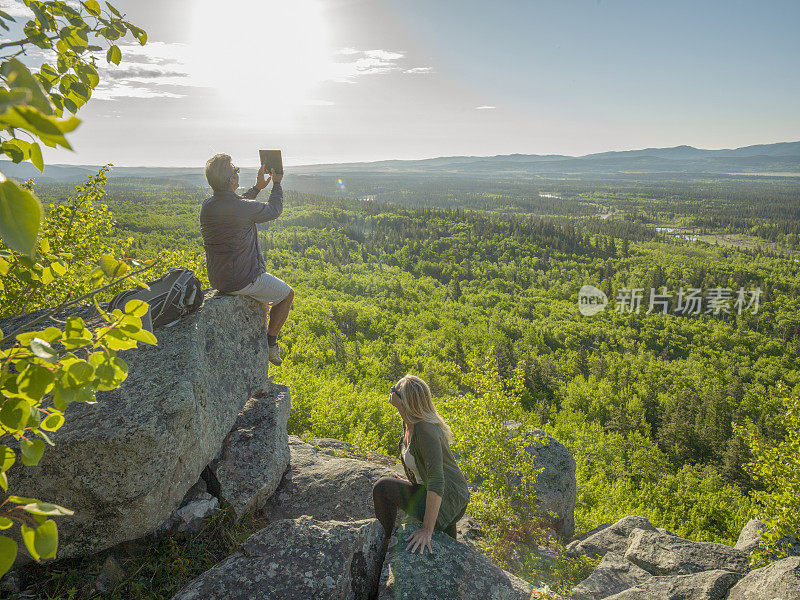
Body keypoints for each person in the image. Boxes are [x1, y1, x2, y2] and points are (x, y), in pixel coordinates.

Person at [200, 153, 293, 366]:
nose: (237, 173)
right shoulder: (239, 208)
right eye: (236, 171)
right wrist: (276, 184)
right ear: (231, 180)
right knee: (287, 295)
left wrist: (258, 187)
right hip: (243, 278)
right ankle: (271, 341)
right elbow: (274, 210)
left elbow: (237, 203)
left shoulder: (209, 205)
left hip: (219, 279)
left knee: (264, 303)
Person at [372, 375, 471, 555]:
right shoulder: (408, 421)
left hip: (449, 497)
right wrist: (410, 482)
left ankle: (385, 539)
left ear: (405, 400)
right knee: (446, 550)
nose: (392, 389)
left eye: (396, 388)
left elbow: (437, 481)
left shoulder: (425, 431)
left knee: (382, 487)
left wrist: (426, 530)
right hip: (441, 493)